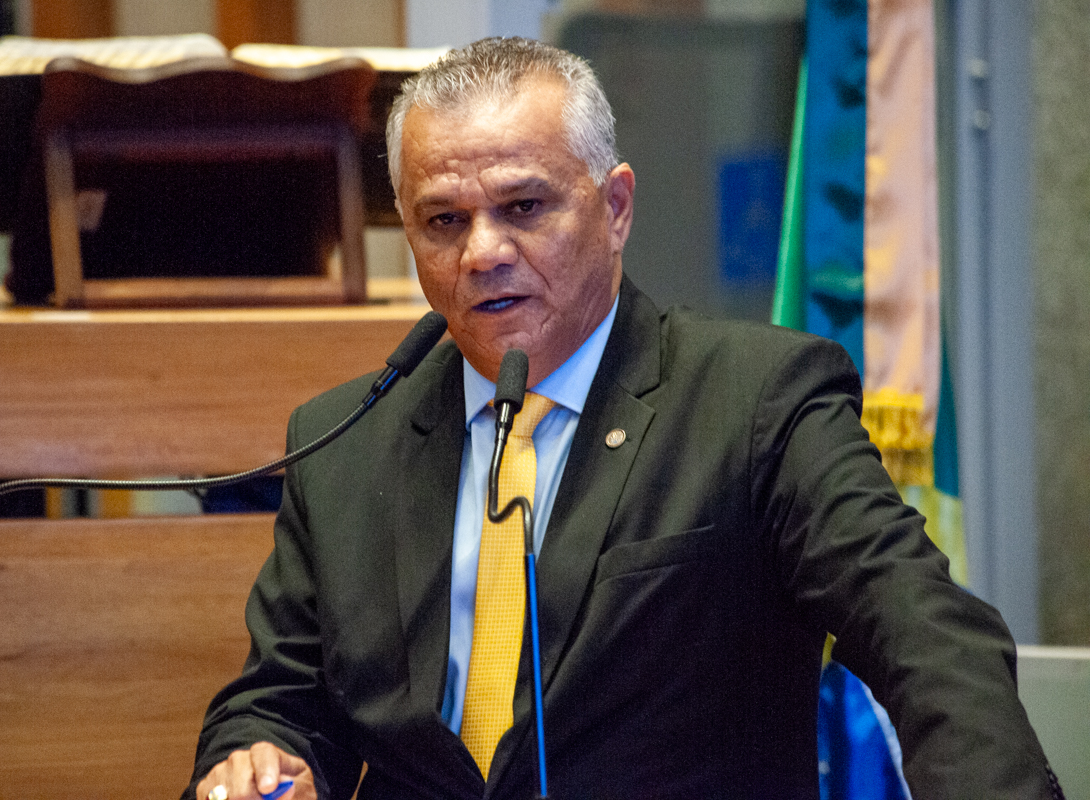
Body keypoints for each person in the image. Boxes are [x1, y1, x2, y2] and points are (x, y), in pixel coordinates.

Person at [185, 38, 1058, 800]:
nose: (482, 252)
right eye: (443, 220)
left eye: (523, 207)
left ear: (614, 208)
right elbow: (280, 701)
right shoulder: (346, 440)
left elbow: (924, 637)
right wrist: (260, 759)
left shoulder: (756, 401)